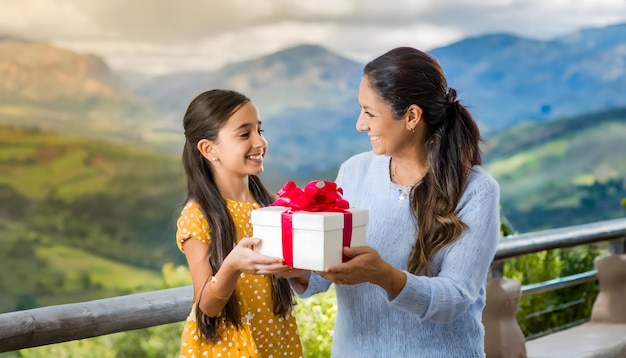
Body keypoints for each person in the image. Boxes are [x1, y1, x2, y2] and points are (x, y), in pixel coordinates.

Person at [288, 47, 501, 357]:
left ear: (412, 116)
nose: (360, 124)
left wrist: (384, 275)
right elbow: (325, 271)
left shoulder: (477, 191)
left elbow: (455, 298)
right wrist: (294, 269)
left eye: (370, 112)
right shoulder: (353, 172)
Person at [175, 89, 303, 357]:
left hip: (275, 340)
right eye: (245, 134)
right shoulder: (198, 216)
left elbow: (299, 277)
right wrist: (231, 265)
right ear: (208, 149)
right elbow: (206, 306)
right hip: (226, 348)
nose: (260, 142)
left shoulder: (273, 207)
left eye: (260, 130)